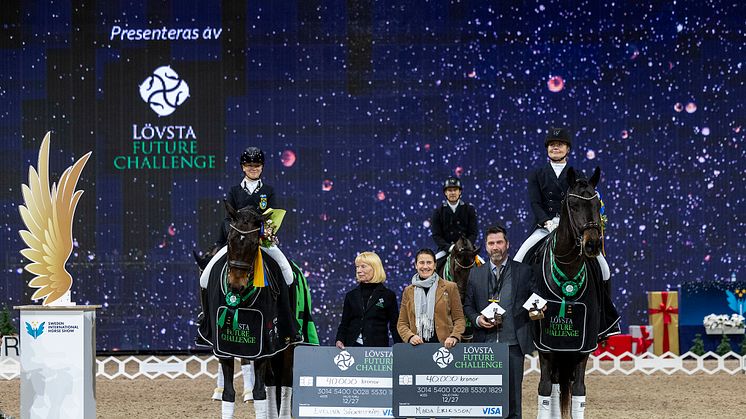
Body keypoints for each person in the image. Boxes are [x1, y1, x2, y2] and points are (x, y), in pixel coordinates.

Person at [514, 128, 610, 280]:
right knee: (518, 260)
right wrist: (546, 221)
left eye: (560, 144)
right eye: (552, 144)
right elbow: (535, 202)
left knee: (604, 269)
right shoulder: (537, 174)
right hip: (545, 227)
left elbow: (585, 205)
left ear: (568, 149)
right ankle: (514, 301)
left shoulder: (578, 175)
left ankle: (605, 303)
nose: (555, 147)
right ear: (547, 149)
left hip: (572, 228)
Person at [464, 225, 535, 419]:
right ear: (486, 247)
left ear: (508, 244)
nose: (495, 247)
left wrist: (540, 307)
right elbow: (467, 306)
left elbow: (535, 298)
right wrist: (477, 319)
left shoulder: (524, 271)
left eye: (499, 242)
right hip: (483, 347)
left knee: (513, 403)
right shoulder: (475, 273)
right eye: (491, 243)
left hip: (513, 345)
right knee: (484, 400)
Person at [397, 248, 465, 349]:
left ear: (435, 265)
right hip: (416, 348)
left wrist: (454, 337)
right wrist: (410, 337)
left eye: (429, 262)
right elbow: (402, 323)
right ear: (416, 265)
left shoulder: (450, 287)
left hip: (445, 347)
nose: (425, 266)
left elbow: (459, 319)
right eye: (421, 263)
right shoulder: (408, 291)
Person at [335, 252, 402, 349]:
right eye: (357, 267)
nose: (359, 270)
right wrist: (339, 339)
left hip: (377, 350)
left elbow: (394, 325)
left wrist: (399, 348)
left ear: (375, 268)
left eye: (363, 266)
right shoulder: (351, 295)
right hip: (352, 348)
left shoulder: (388, 295)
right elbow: (344, 323)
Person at [430, 176, 479, 272]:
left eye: (455, 190)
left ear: (460, 192)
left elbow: (473, 233)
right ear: (445, 192)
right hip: (446, 250)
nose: (452, 193)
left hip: (466, 249)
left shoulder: (469, 209)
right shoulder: (438, 212)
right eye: (449, 190)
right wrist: (450, 247)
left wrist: (465, 246)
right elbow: (436, 235)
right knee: (430, 269)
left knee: (483, 266)